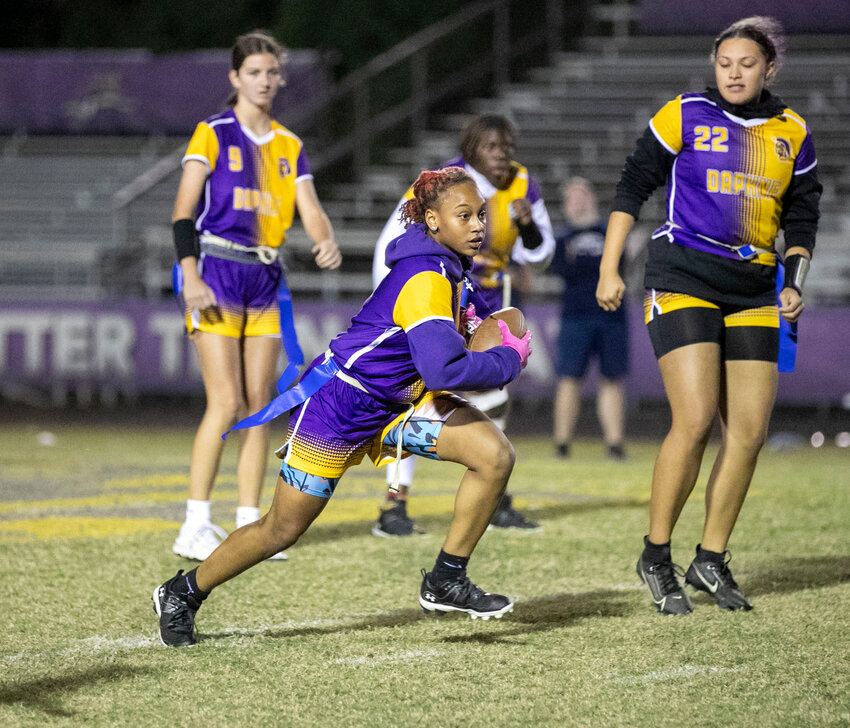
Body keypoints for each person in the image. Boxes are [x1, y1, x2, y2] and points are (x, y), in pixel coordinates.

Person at [152, 167, 534, 646]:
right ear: (432, 221)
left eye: (480, 214)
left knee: (494, 454)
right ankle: (182, 592)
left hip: (397, 405)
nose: (479, 225)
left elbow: (462, 334)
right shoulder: (426, 278)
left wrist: (486, 329)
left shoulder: (450, 269)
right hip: (339, 408)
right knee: (280, 530)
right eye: (465, 216)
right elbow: (443, 372)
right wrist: (505, 361)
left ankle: (445, 580)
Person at [596, 16, 820, 614]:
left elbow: (802, 215)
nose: (734, 73)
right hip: (683, 275)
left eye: (747, 64)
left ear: (769, 69)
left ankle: (711, 559)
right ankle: (656, 555)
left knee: (748, 432)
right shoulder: (685, 112)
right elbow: (632, 183)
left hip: (753, 288)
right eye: (725, 64)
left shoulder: (792, 131)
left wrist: (793, 279)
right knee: (693, 420)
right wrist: (608, 267)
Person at [170, 31, 341, 562]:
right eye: (255, 73)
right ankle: (194, 522)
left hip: (265, 278)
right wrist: (189, 275)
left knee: (260, 406)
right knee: (223, 402)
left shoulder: (289, 145)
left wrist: (324, 238)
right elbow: (182, 212)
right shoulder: (213, 133)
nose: (265, 81)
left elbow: (308, 206)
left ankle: (249, 523)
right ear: (235, 78)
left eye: (272, 72)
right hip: (216, 271)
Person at [370, 114, 555, 537]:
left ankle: (495, 495)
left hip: (488, 298)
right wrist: (397, 301)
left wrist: (526, 226)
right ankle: (394, 504)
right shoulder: (441, 184)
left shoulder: (522, 184)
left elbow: (541, 252)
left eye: (507, 146)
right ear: (470, 149)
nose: (503, 154)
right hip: (438, 297)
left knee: (494, 394)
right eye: (492, 146)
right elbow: (391, 241)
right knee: (415, 392)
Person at [550, 177, 628, 461]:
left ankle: (615, 445)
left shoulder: (610, 232)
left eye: (582, 194)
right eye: (572, 196)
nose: (578, 201)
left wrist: (579, 261)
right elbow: (560, 269)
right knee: (568, 378)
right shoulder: (560, 236)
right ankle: (562, 445)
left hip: (611, 315)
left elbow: (620, 265)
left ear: (592, 198)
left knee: (612, 379)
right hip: (575, 316)